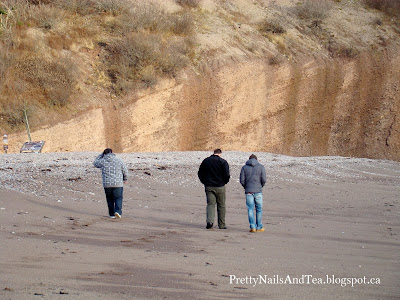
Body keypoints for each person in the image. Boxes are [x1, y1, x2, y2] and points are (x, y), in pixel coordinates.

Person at [198, 149, 230, 229]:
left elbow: (200, 173)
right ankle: (221, 224)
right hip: (220, 186)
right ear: (220, 154)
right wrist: (224, 182)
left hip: (209, 185)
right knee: (221, 205)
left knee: (210, 204)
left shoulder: (206, 161)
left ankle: (210, 221)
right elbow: (227, 174)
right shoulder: (223, 162)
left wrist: (204, 182)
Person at [93, 148, 128, 219]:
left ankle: (111, 214)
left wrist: (101, 155)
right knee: (118, 198)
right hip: (117, 183)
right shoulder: (119, 160)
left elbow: (95, 163)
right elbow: (125, 170)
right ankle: (118, 212)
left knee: (109, 199)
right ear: (112, 152)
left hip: (107, 184)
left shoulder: (102, 161)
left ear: (104, 153)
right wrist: (125, 179)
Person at [240, 154, 266, 233]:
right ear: (256, 159)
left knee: (250, 209)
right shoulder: (261, 167)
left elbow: (242, 180)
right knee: (259, 209)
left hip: (249, 191)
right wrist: (260, 186)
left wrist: (246, 187)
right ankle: (259, 226)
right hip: (258, 190)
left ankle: (252, 226)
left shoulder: (244, 167)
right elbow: (264, 179)